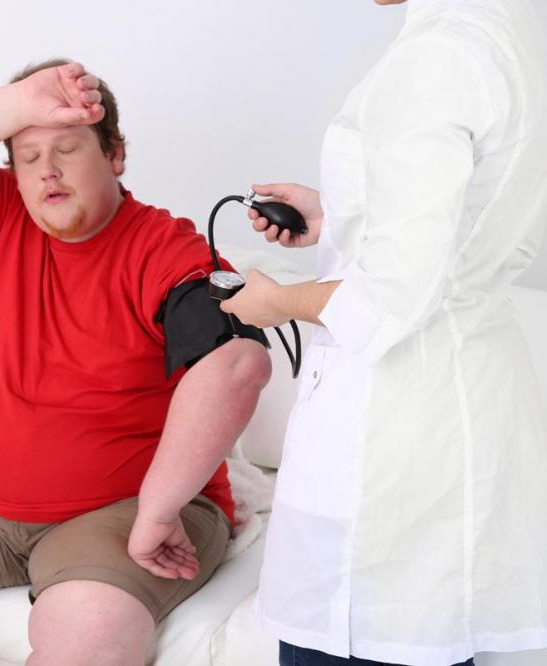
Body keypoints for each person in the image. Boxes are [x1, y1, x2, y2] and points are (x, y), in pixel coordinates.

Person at [0, 59, 272, 665]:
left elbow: (237, 364)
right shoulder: (2, 215)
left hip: (122, 509)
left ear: (115, 154)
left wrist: (158, 510)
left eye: (66, 148)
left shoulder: (164, 247)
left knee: (87, 633)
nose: (47, 171)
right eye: (28, 157)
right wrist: (20, 103)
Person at [217, 1, 547, 664]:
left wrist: (275, 302)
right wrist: (345, 217)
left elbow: (389, 297)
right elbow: (495, 241)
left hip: (389, 444)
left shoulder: (434, 56)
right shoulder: (512, 35)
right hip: (458, 420)